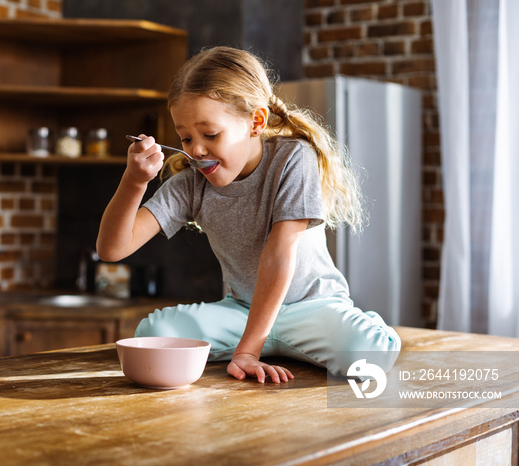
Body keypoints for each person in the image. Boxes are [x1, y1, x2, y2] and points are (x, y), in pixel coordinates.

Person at [96, 46, 400, 383]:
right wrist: (134, 180)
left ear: (255, 122)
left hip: (311, 308)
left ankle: (366, 326)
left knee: (370, 356)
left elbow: (279, 255)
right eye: (185, 137)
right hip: (242, 311)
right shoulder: (191, 185)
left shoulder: (293, 159)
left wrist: (247, 350)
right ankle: (262, 343)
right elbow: (112, 249)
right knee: (154, 332)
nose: (196, 149)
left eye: (210, 134)